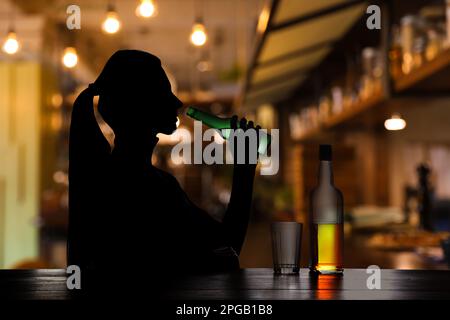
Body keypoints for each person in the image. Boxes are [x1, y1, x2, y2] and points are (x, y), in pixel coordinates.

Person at [67, 50, 258, 285]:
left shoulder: (118, 178)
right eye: (164, 92)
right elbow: (228, 245)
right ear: (139, 104)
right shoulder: (146, 185)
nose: (177, 102)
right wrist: (245, 165)